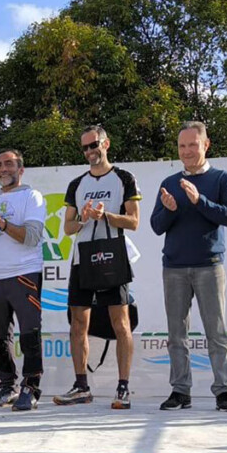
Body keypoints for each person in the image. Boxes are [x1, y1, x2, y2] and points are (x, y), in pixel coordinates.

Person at [151, 122, 227, 412]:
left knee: (216, 332)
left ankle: (223, 391)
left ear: (206, 145)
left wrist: (198, 200)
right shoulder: (169, 182)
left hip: (209, 266)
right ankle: (180, 391)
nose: (187, 151)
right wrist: (170, 210)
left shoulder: (221, 179)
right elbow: (155, 226)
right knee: (176, 334)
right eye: (182, 146)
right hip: (174, 267)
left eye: (192, 144)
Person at [54, 125, 141, 410]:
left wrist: (106, 215)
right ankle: (81, 386)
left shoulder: (124, 178)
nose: (90, 151)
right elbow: (67, 227)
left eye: (94, 145)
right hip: (83, 258)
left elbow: (134, 221)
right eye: (85, 147)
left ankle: (123, 388)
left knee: (121, 323)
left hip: (113, 254)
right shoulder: (76, 184)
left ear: (106, 143)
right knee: (78, 322)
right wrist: (83, 217)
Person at [0, 150, 46, 411]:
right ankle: (8, 386)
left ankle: (31, 386)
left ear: (21, 169)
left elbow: (32, 237)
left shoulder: (32, 197)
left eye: (8, 164)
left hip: (24, 273)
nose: (3, 169)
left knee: (29, 332)